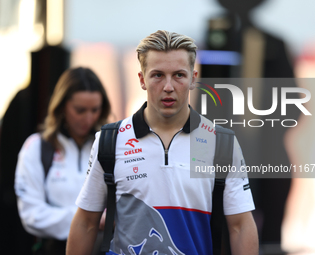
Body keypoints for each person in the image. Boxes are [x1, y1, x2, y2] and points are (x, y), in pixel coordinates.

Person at [67, 30, 258, 255]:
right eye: (158, 75)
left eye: (179, 75)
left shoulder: (221, 143)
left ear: (193, 79)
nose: (168, 86)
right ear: (142, 80)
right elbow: (87, 222)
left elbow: (240, 225)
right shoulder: (111, 140)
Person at [14, 67, 111, 255]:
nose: (88, 118)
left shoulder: (111, 147)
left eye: (95, 110)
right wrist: (92, 220)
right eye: (80, 110)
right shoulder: (37, 147)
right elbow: (32, 215)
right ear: (62, 106)